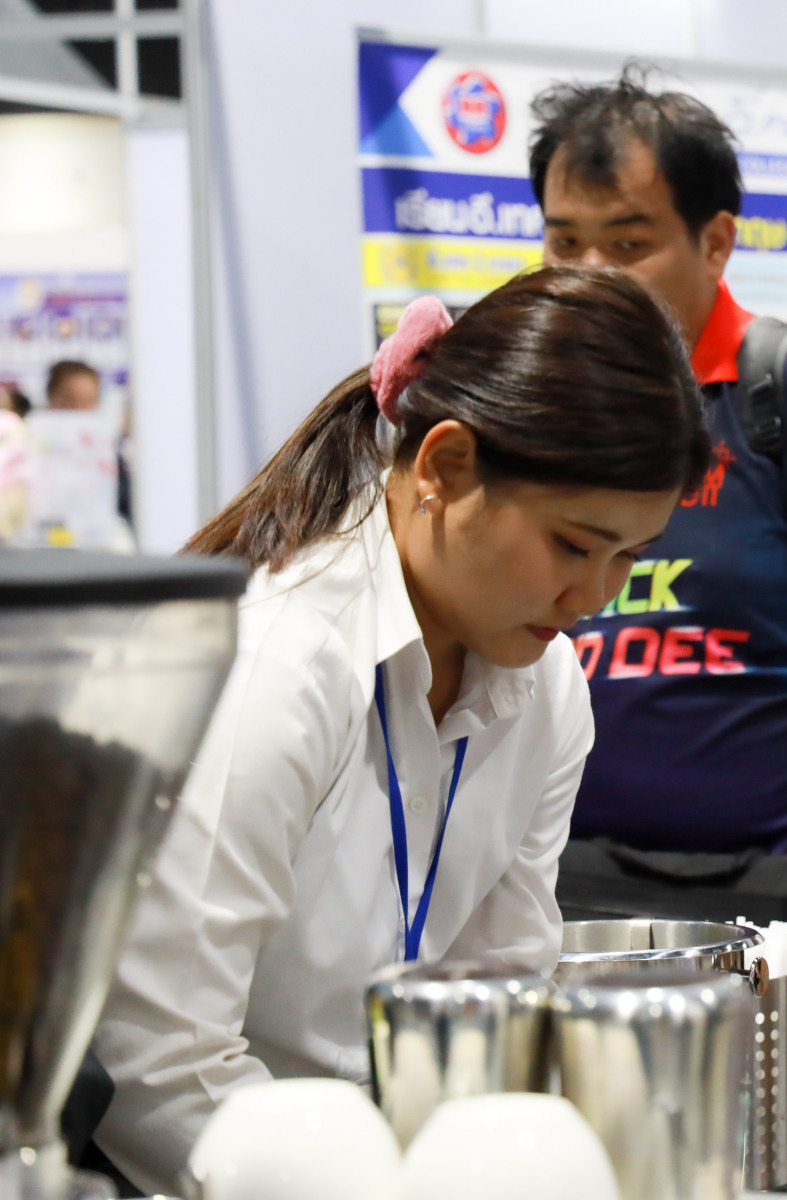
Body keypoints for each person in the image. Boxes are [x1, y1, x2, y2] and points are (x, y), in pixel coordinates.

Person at [92, 266, 711, 1195]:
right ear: (445, 467)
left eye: (629, 556)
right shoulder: (273, 665)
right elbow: (161, 1068)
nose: (594, 596)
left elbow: (500, 1012)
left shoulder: (545, 690)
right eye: (574, 545)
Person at [530, 75, 787, 1106]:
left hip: (771, 910)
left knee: (762, 1168)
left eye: (628, 244)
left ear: (715, 242)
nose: (591, 275)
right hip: (557, 896)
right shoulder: (533, 406)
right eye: (565, 242)